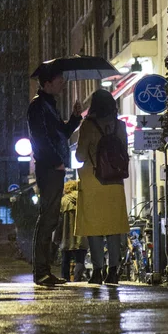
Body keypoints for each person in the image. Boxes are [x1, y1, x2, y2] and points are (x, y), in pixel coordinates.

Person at [27, 66, 82, 286]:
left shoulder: (49, 105)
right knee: (47, 218)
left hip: (54, 167)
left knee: (50, 218)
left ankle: (43, 270)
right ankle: (41, 271)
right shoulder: (38, 106)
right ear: (47, 83)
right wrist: (56, 161)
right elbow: (40, 139)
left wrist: (75, 118)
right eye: (60, 79)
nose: (63, 83)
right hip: (50, 168)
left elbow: (62, 133)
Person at [74, 89, 129, 285]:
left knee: (94, 227)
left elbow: (80, 156)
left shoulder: (87, 126)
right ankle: (113, 271)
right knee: (114, 227)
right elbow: (124, 154)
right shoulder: (120, 126)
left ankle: (98, 270)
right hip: (114, 182)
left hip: (92, 180)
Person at [60, 180, 88, 282]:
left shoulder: (63, 201)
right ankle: (77, 280)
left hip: (66, 235)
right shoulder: (83, 199)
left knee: (65, 259)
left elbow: (59, 219)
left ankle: (65, 279)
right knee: (80, 260)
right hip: (81, 234)